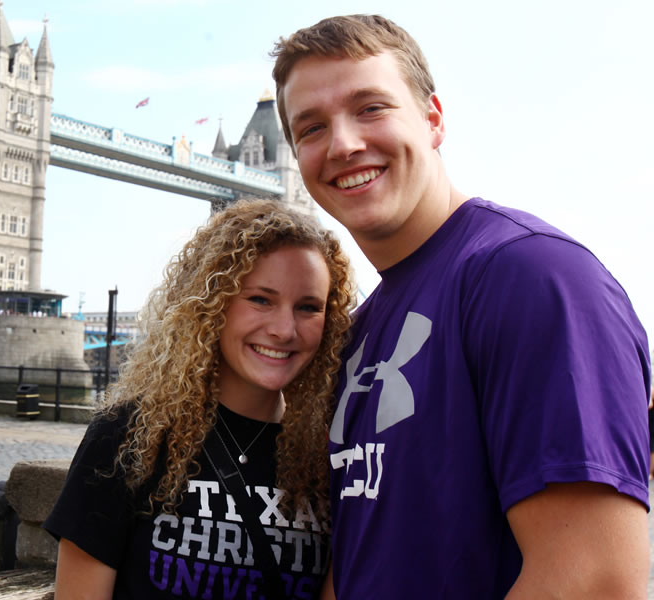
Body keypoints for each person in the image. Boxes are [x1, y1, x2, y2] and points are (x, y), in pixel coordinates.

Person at [271, 15, 651, 599]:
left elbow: (593, 580)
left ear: (433, 119)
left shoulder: (530, 276)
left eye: (371, 108)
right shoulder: (361, 329)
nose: (344, 144)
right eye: (312, 128)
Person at [44, 198, 356, 599]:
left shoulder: (329, 456)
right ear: (213, 304)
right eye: (261, 299)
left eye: (308, 307)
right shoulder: (130, 436)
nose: (284, 329)